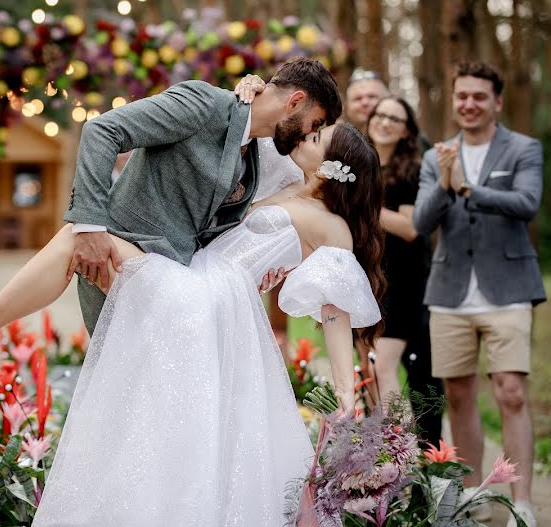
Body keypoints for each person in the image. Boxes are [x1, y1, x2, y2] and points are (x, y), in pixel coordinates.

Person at [0, 122, 383, 527]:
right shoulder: (281, 178)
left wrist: (347, 400)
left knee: (80, 236)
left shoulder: (331, 225)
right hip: (193, 290)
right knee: (82, 242)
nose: (304, 135)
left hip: (206, 303)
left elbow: (334, 314)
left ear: (334, 166)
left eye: (318, 136)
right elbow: (246, 130)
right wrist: (246, 91)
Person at [63, 57, 342, 335]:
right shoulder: (204, 103)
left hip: (176, 294)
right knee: (64, 243)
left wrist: (255, 271)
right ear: (295, 102)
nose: (309, 134)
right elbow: (101, 130)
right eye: (314, 123)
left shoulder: (258, 152)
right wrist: (90, 227)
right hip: (115, 263)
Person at [413, 61, 545, 527]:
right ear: (454, 100)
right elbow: (423, 222)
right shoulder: (437, 156)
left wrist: (469, 187)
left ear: (497, 102)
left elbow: (528, 203)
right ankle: (473, 496)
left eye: (479, 96)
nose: (469, 103)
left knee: (511, 391)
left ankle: (521, 502)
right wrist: (445, 182)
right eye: (462, 95)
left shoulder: (524, 148)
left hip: (508, 288)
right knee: (460, 396)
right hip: (449, 294)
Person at [364, 96, 443, 444]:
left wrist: (359, 207)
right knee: (369, 371)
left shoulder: (411, 169)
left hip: (403, 280)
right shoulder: (360, 163)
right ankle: (374, 454)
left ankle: (398, 455)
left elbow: (412, 228)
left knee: (384, 368)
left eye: (394, 119)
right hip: (367, 278)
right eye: (380, 115)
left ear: (407, 130)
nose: (384, 122)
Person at [344, 68, 389, 135]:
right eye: (358, 98)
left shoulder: (404, 139)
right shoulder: (332, 141)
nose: (365, 102)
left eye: (372, 96)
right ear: (347, 106)